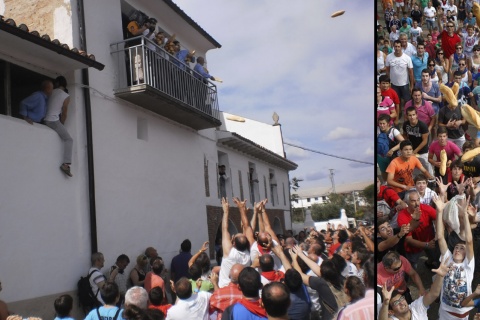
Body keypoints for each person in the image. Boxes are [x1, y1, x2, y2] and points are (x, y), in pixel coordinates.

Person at [432, 195, 475, 319]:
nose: (458, 249)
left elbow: (469, 240)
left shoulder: (468, 264)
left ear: (467, 253)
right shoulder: (447, 258)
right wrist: (439, 211)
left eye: (462, 248)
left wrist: (465, 215)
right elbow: (440, 236)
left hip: (462, 313)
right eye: (456, 247)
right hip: (445, 311)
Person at [378, 255, 450, 320]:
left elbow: (434, 294)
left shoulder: (417, 307)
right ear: (391, 312)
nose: (401, 303)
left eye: (402, 299)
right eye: (396, 302)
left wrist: (440, 276)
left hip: (402, 290)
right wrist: (386, 302)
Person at [397, 189, 439, 268]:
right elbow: (408, 240)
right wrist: (427, 245)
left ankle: (428, 263)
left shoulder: (426, 208)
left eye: (418, 200)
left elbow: (439, 218)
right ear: (406, 202)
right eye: (413, 201)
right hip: (413, 248)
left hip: (429, 240)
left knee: (434, 257)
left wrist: (437, 234)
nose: (417, 204)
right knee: (412, 266)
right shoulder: (402, 217)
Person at [217, 198, 252, 288]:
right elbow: (247, 228)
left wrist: (226, 211)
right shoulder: (248, 254)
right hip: (241, 288)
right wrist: (243, 211)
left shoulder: (230, 252)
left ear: (234, 243)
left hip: (225, 287)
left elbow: (225, 229)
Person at [43, 76, 73, 177]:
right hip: (53, 121)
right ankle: (66, 164)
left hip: (45, 119)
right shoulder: (66, 96)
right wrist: (62, 124)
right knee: (69, 139)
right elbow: (64, 113)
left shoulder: (51, 91)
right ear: (64, 84)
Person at [386, 40, 415, 117]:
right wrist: (388, 83)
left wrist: (411, 85)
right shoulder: (389, 57)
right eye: (395, 46)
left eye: (399, 46)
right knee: (396, 101)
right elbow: (387, 71)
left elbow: (411, 73)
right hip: (394, 84)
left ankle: (407, 115)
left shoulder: (407, 58)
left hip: (405, 84)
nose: (397, 48)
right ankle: (399, 115)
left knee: (407, 101)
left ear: (401, 47)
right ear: (393, 47)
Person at [403, 106, 433, 176]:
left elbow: (425, 141)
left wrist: (414, 152)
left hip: (423, 151)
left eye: (413, 115)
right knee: (414, 168)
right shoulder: (405, 124)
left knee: (427, 167)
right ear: (407, 116)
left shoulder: (423, 125)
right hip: (411, 149)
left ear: (416, 115)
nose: (412, 117)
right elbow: (404, 135)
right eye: (410, 115)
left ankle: (432, 180)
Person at [377, 114, 404, 182]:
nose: (382, 125)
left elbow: (403, 142)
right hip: (380, 157)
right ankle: (386, 184)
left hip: (392, 156)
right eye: (380, 123)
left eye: (384, 123)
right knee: (383, 171)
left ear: (388, 123)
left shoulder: (394, 131)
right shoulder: (377, 131)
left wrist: (392, 149)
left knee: (393, 173)